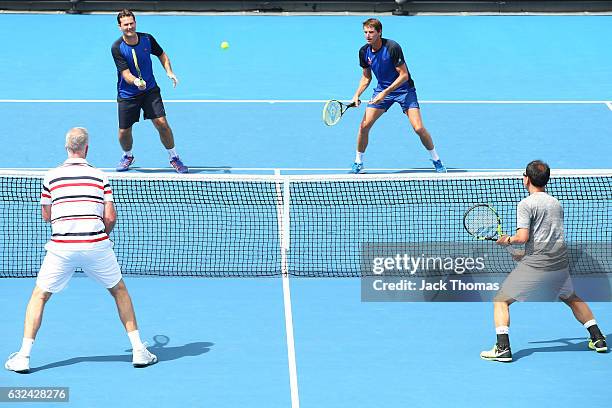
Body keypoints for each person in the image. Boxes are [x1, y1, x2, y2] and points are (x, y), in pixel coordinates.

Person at [4, 127, 157, 373]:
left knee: (39, 296)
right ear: (86, 149)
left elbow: (47, 215)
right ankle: (139, 350)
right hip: (96, 245)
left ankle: (23, 356)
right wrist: (100, 237)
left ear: (67, 147)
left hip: (61, 248)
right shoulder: (100, 176)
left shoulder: (50, 177)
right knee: (119, 291)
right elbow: (110, 215)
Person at [481, 160, 607, 362]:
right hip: (557, 262)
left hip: (537, 265)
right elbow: (547, 239)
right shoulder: (555, 203)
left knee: (500, 300)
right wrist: (523, 255)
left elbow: (522, 237)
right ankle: (598, 338)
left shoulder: (526, 204)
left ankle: (503, 348)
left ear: (527, 179)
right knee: (571, 298)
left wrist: (508, 240)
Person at [350, 18, 445, 174]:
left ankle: (436, 159)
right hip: (382, 90)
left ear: (379, 32)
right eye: (365, 32)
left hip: (404, 90)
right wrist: (356, 95)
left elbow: (404, 75)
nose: (368, 35)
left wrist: (385, 93)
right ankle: (358, 162)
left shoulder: (392, 47)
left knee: (419, 128)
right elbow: (366, 77)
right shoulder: (363, 51)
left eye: (371, 32)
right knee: (364, 126)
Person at [111, 9, 188, 173]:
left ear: (135, 23)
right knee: (124, 132)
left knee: (162, 124)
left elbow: (162, 55)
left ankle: (174, 157)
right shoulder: (117, 47)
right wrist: (136, 81)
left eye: (132, 23)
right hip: (128, 94)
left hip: (150, 91)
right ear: (119, 27)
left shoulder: (147, 38)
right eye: (126, 25)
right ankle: (128, 155)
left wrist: (169, 71)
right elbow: (125, 74)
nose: (129, 27)